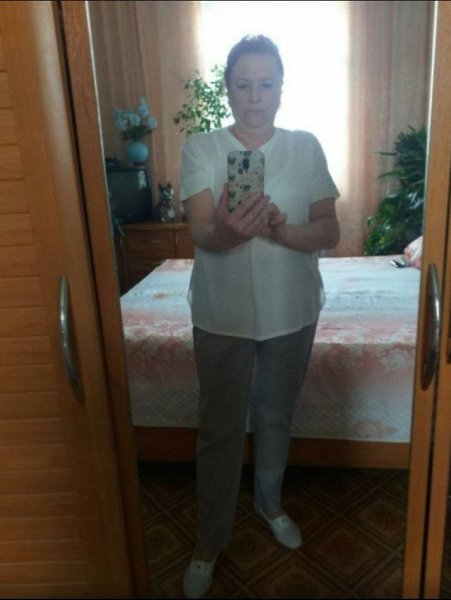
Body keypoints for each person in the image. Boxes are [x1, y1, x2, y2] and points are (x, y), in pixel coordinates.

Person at [180, 34, 340, 599]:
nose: (254, 96)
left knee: (275, 415)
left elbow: (330, 230)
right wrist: (228, 231)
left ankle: (270, 505)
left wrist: (279, 230)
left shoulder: (305, 146)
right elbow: (202, 232)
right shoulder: (201, 148)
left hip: (291, 312)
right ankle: (209, 540)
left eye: (265, 84)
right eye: (243, 84)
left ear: (280, 88)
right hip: (220, 315)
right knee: (219, 429)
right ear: (228, 89)